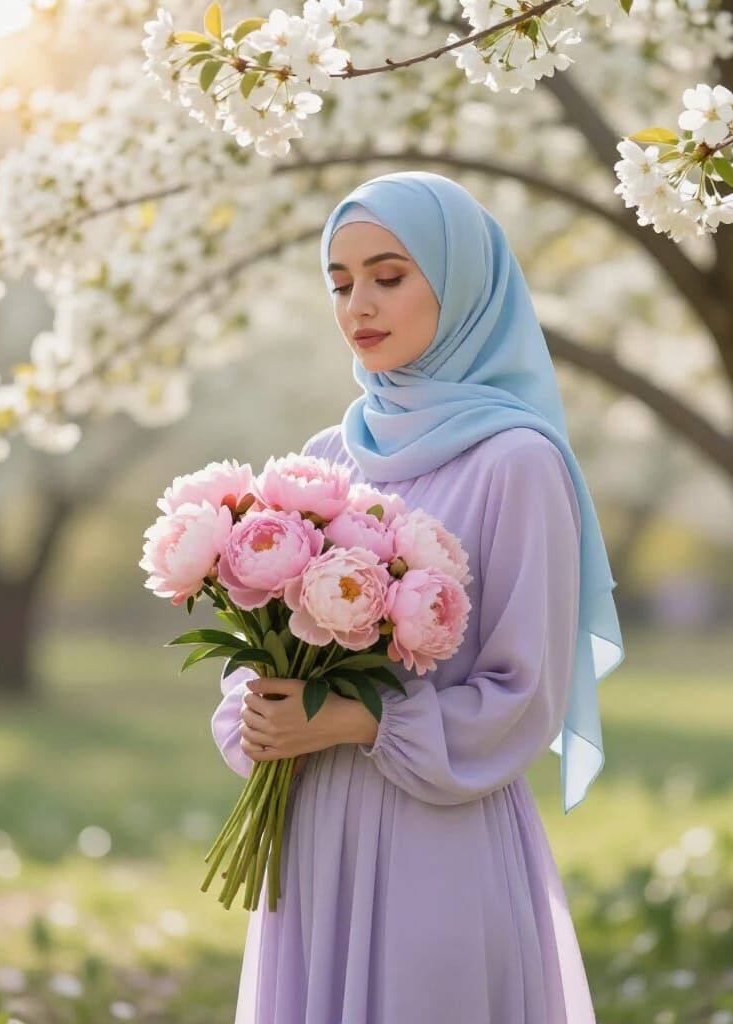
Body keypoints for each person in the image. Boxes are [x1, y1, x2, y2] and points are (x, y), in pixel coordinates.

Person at [211, 170, 625, 1023]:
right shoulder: (330, 454)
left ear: (462, 281)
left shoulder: (518, 462)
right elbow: (266, 635)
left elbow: (525, 696)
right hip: (313, 836)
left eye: (389, 275)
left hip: (438, 834)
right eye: (340, 281)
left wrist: (358, 719)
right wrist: (260, 705)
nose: (358, 303)